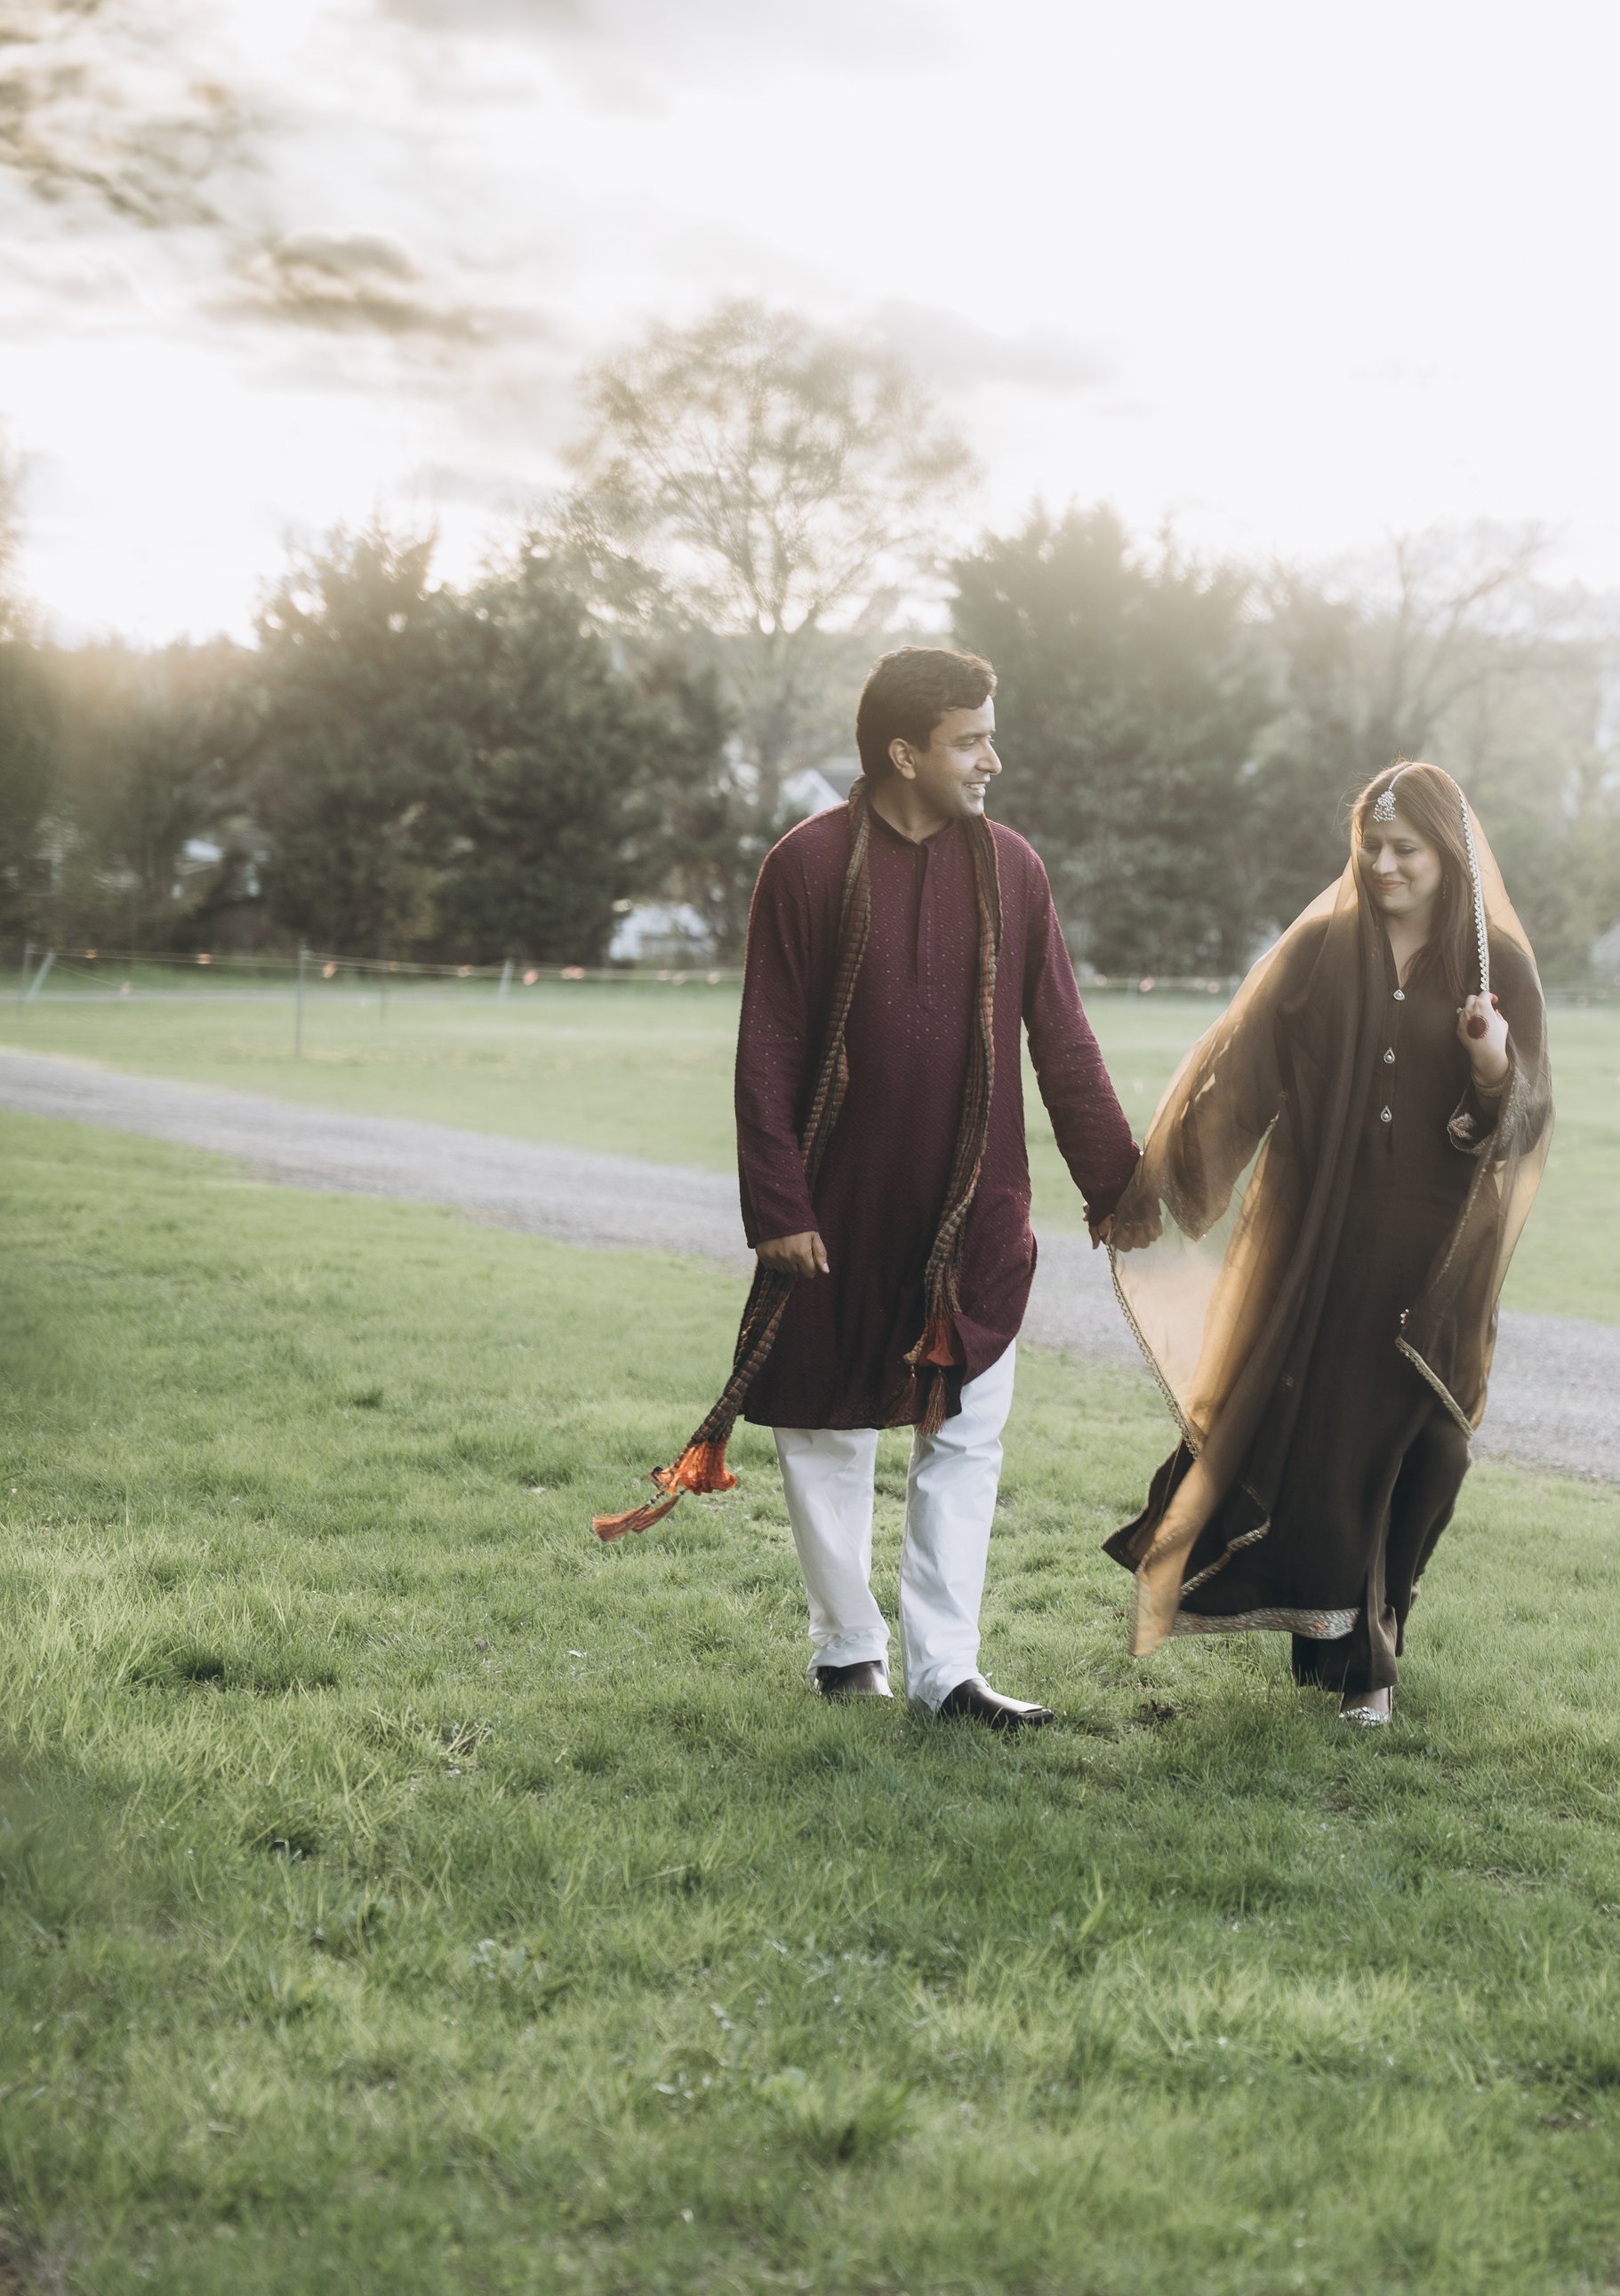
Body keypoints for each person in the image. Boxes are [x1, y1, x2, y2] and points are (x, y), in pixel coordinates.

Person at [595, 647, 1140, 1728]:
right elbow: (768, 1049)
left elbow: (1062, 1039)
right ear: (905, 750)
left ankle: (947, 1672)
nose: (994, 757)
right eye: (971, 738)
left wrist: (1115, 1182)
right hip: (837, 1211)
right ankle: (847, 1648)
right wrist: (780, 1209)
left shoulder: (1014, 870)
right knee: (828, 1431)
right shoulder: (803, 866)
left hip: (974, 1210)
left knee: (968, 1434)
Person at [1103, 761, 1551, 1725]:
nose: (1385, 866)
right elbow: (1238, 1072)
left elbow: (1522, 1123)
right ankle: (1356, 1660)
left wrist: (1490, 1064)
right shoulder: (1318, 949)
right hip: (1312, 1235)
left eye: (1407, 851)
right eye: (1372, 848)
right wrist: (1158, 1187)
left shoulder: (1493, 967)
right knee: (1325, 1435)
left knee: (1433, 1446)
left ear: (1451, 854)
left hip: (1435, 1251)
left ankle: (1360, 1625)